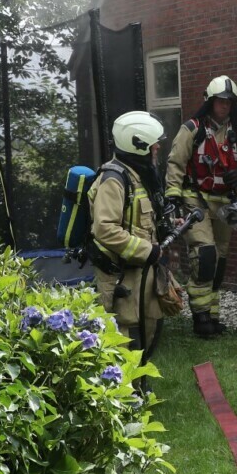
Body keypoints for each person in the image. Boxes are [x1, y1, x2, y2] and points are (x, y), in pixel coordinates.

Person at [165, 76, 237, 338]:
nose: (225, 106)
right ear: (210, 101)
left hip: (225, 203)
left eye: (229, 101)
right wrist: (173, 196)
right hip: (196, 199)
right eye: (220, 100)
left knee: (220, 259)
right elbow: (175, 164)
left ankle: (213, 315)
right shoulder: (191, 129)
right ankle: (200, 316)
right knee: (205, 254)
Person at [88, 110, 167, 353]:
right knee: (125, 337)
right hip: (121, 274)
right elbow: (105, 228)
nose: (157, 150)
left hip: (143, 271)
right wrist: (146, 250)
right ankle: (125, 389)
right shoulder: (114, 179)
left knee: (149, 329)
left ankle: (140, 385)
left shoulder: (138, 175)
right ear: (138, 145)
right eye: (154, 145)